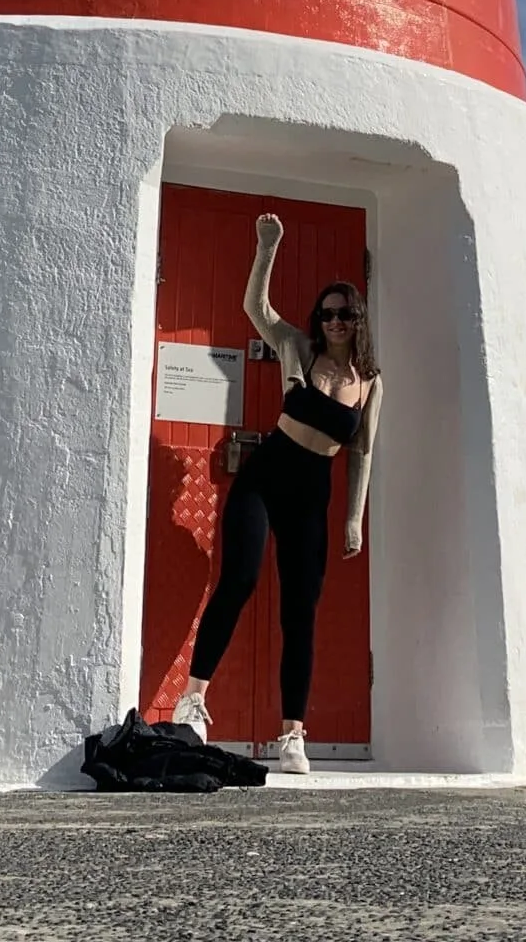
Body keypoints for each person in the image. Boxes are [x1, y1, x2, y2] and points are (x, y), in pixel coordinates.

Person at [170, 213, 382, 776]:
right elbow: (255, 311)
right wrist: (268, 247)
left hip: (313, 492)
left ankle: (293, 735)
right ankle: (194, 699)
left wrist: (354, 518)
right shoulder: (296, 347)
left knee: (300, 613)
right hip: (266, 474)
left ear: (358, 319)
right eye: (327, 313)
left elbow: (361, 452)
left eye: (345, 313)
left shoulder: (371, 381)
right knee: (238, 578)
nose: (334, 321)